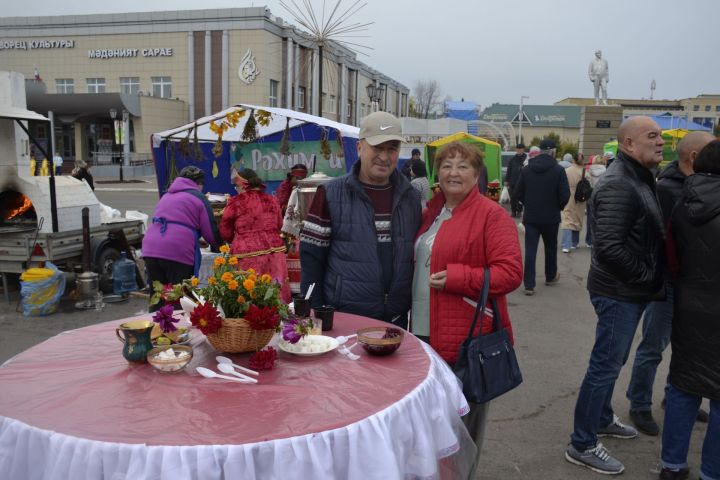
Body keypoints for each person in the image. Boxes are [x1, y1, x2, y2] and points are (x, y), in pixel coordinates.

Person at [411, 140, 523, 474]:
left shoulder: (492, 216)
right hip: (422, 336)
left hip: (465, 341)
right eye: (446, 165)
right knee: (428, 430)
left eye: (463, 166)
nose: (453, 172)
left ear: (477, 174)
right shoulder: (433, 211)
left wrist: (459, 277)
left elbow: (511, 272)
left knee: (461, 434)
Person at [565, 116, 666, 475]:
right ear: (628, 145)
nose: (660, 141)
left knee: (613, 361)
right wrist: (647, 279)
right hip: (619, 292)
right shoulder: (619, 183)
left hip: (627, 291)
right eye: (652, 136)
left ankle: (603, 418)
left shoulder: (638, 176)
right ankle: (582, 443)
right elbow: (607, 247)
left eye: (661, 136)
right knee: (605, 365)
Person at [626, 131, 715, 436]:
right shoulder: (666, 188)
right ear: (694, 156)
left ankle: (675, 395)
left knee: (686, 348)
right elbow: (656, 239)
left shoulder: (700, 185)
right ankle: (639, 403)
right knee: (653, 345)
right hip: (668, 284)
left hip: (697, 286)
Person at [299, 111, 421, 328]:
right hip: (345, 319)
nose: (384, 157)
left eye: (391, 148)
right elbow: (311, 261)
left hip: (396, 320)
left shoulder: (410, 197)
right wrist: (314, 316)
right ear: (359, 147)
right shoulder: (330, 194)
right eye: (377, 147)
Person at [660, 139, 720, 480]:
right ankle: (712, 473)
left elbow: (672, 257)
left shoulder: (682, 202)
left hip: (689, 305)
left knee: (684, 385)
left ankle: (672, 466)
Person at [143, 166, 220, 310]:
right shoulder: (198, 197)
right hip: (177, 251)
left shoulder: (167, 195)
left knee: (158, 296)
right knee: (181, 298)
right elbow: (210, 232)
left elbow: (174, 223)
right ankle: (180, 330)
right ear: (199, 183)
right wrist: (220, 245)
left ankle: (153, 329)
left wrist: (194, 239)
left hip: (151, 248)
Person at [220, 168, 291, 302]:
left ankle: (251, 320)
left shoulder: (236, 202)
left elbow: (225, 230)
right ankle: (277, 319)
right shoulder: (272, 200)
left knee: (250, 292)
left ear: (242, 184)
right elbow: (279, 224)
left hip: (247, 252)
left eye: (236, 185)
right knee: (275, 290)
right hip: (274, 251)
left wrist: (234, 239)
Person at [512, 138, 570, 296]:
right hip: (551, 216)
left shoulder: (527, 169)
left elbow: (517, 192)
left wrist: (528, 203)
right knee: (551, 248)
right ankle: (550, 276)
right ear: (552, 151)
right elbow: (565, 194)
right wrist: (557, 206)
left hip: (531, 216)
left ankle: (529, 284)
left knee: (530, 250)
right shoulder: (558, 170)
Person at [561, 153, 587, 253]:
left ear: (573, 160)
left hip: (569, 196)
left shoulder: (567, 171)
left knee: (568, 219)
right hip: (581, 198)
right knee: (577, 219)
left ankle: (566, 245)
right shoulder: (585, 171)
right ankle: (574, 243)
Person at [585, 153, 609, 247]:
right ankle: (598, 241)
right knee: (601, 219)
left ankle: (589, 241)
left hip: (591, 196)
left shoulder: (589, 171)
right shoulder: (607, 172)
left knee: (590, 219)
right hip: (602, 197)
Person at [504, 143, 526, 217]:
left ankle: (519, 211)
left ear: (523, 149)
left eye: (520, 149)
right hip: (512, 182)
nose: (519, 150)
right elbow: (509, 170)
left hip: (522, 182)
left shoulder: (526, 159)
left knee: (520, 198)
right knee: (513, 197)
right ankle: (513, 211)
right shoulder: (513, 159)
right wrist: (506, 180)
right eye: (517, 149)